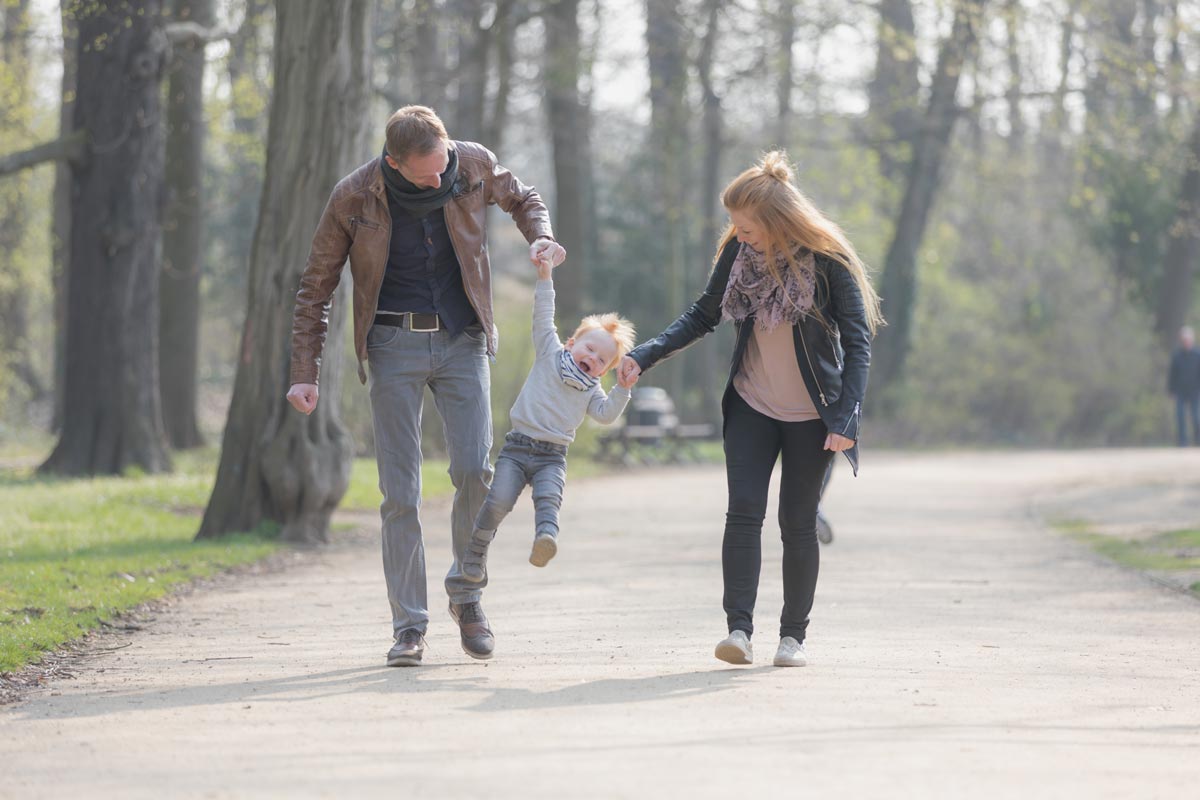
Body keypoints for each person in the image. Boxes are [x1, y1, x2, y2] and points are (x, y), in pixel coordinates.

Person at [286, 105, 566, 667]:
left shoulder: (472, 164)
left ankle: (466, 597)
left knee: (474, 471)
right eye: (426, 174)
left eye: (445, 168)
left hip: (463, 340)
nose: (440, 180)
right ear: (394, 162)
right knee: (401, 494)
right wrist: (303, 372)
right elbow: (316, 287)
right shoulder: (354, 196)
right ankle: (409, 627)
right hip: (393, 345)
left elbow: (524, 197)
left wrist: (541, 237)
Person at [618, 151, 883, 668]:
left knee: (797, 521)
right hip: (752, 405)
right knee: (743, 513)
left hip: (813, 416)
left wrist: (848, 416)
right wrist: (644, 354)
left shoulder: (828, 263)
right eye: (734, 226)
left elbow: (858, 341)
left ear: (778, 222)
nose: (738, 235)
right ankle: (738, 631)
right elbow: (702, 315)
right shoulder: (738, 258)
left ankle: (793, 638)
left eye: (746, 227)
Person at [461, 255, 638, 583]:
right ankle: (476, 551)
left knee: (549, 499)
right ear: (572, 343)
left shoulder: (592, 388)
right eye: (589, 349)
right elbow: (543, 316)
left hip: (552, 457)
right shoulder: (549, 353)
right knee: (498, 500)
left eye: (602, 360)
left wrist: (622, 390)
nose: (593, 359)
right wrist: (545, 277)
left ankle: (546, 539)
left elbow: (605, 415)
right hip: (517, 448)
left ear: (605, 370)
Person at [1168, 325, 1200, 447]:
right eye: (1184, 339)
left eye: (1188, 339)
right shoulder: (1177, 356)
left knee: (1196, 417)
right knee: (1180, 418)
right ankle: (1182, 442)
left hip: (1195, 391)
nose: (1186, 342)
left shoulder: (1198, 355)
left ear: (1192, 340)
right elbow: (1172, 374)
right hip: (1180, 391)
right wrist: (1171, 390)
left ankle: (1198, 440)